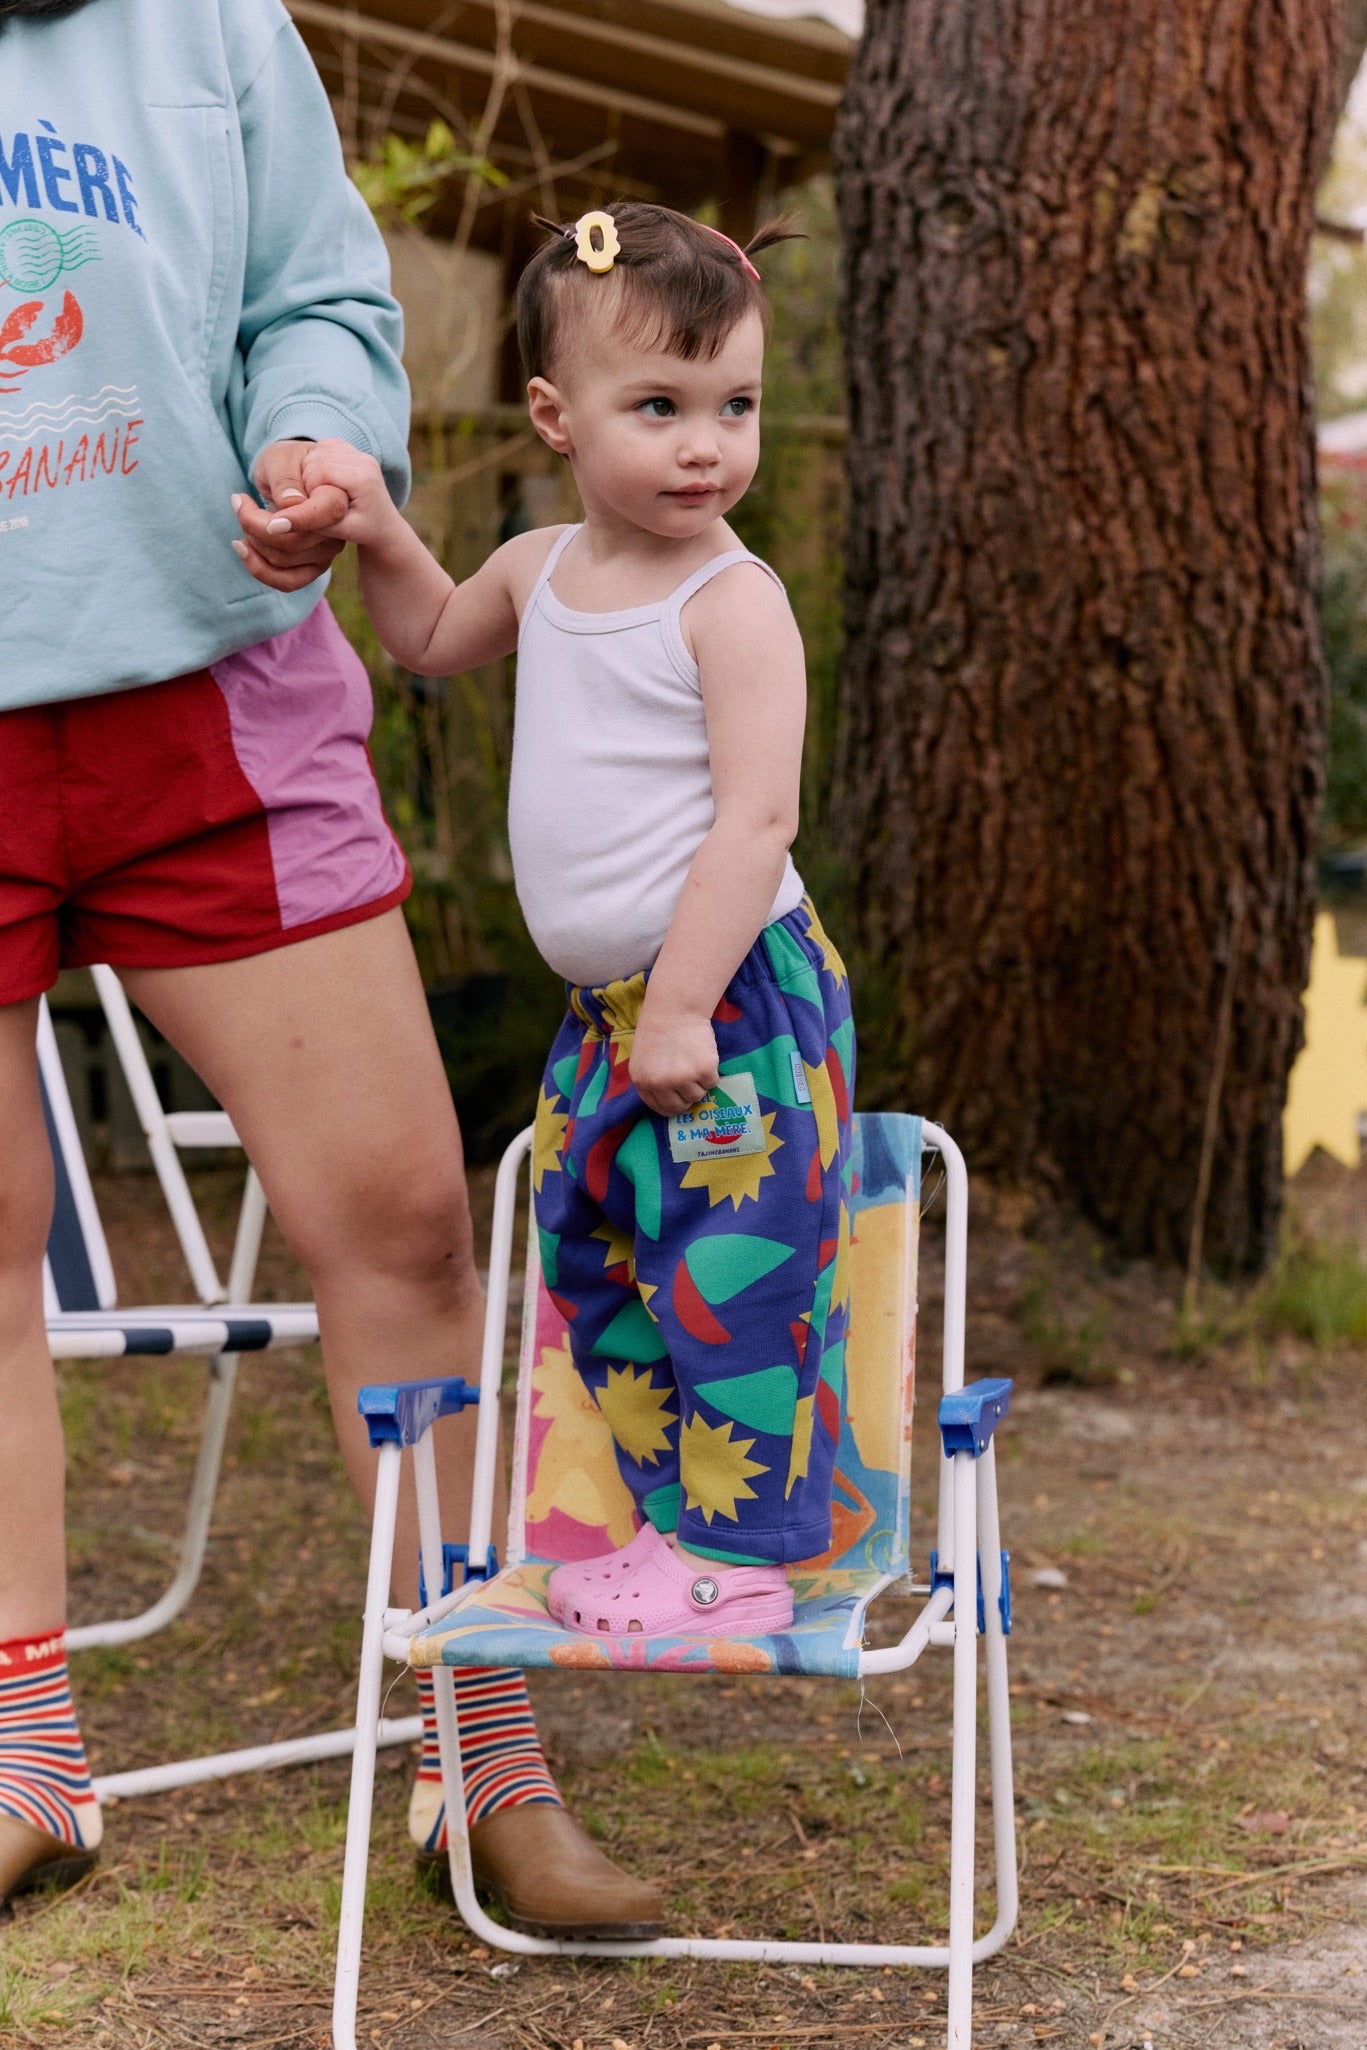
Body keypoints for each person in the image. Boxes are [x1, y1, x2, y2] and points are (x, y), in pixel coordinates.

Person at [0, 0, 661, 1937]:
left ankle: (485, 1762)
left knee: (398, 1208)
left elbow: (319, 294)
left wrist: (317, 434)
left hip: (213, 688)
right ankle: (24, 1754)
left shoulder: (215, 24)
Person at [234, 203, 856, 1642]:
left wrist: (692, 1004)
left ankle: (740, 1542)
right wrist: (381, 528)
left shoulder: (735, 603)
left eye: (736, 405)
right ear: (553, 415)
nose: (707, 444)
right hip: (610, 1016)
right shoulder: (538, 569)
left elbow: (757, 824)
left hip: (736, 991)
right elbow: (429, 639)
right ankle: (668, 1509)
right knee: (583, 1249)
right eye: (661, 405)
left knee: (731, 1265)